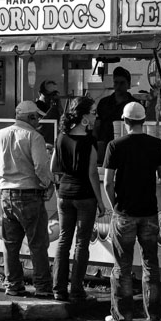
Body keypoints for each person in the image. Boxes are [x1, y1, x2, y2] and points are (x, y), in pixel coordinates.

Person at [103, 101, 161, 321]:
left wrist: (115, 206)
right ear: (144, 120)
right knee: (151, 263)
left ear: (125, 121)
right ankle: (155, 315)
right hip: (149, 211)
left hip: (124, 212)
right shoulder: (156, 144)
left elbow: (108, 183)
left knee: (123, 266)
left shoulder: (115, 145)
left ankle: (123, 315)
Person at [0, 100, 55, 298]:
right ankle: (42, 286)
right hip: (29, 195)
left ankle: (13, 284)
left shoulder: (0, 134)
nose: (39, 121)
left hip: (6, 195)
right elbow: (41, 168)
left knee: (10, 243)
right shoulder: (34, 137)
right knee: (38, 243)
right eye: (37, 117)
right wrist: (49, 185)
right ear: (32, 117)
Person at [50, 96, 105, 302]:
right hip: (84, 195)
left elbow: (52, 168)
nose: (95, 116)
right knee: (81, 243)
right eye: (92, 112)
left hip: (64, 193)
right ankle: (77, 289)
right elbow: (92, 173)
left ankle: (58, 288)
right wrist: (100, 201)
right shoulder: (89, 141)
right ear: (83, 117)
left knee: (64, 241)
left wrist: (58, 187)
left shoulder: (61, 137)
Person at [94, 66, 136, 157]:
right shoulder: (104, 103)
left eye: (122, 83)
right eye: (116, 83)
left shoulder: (134, 104)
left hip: (127, 148)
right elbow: (97, 125)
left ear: (128, 85)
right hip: (105, 147)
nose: (118, 86)